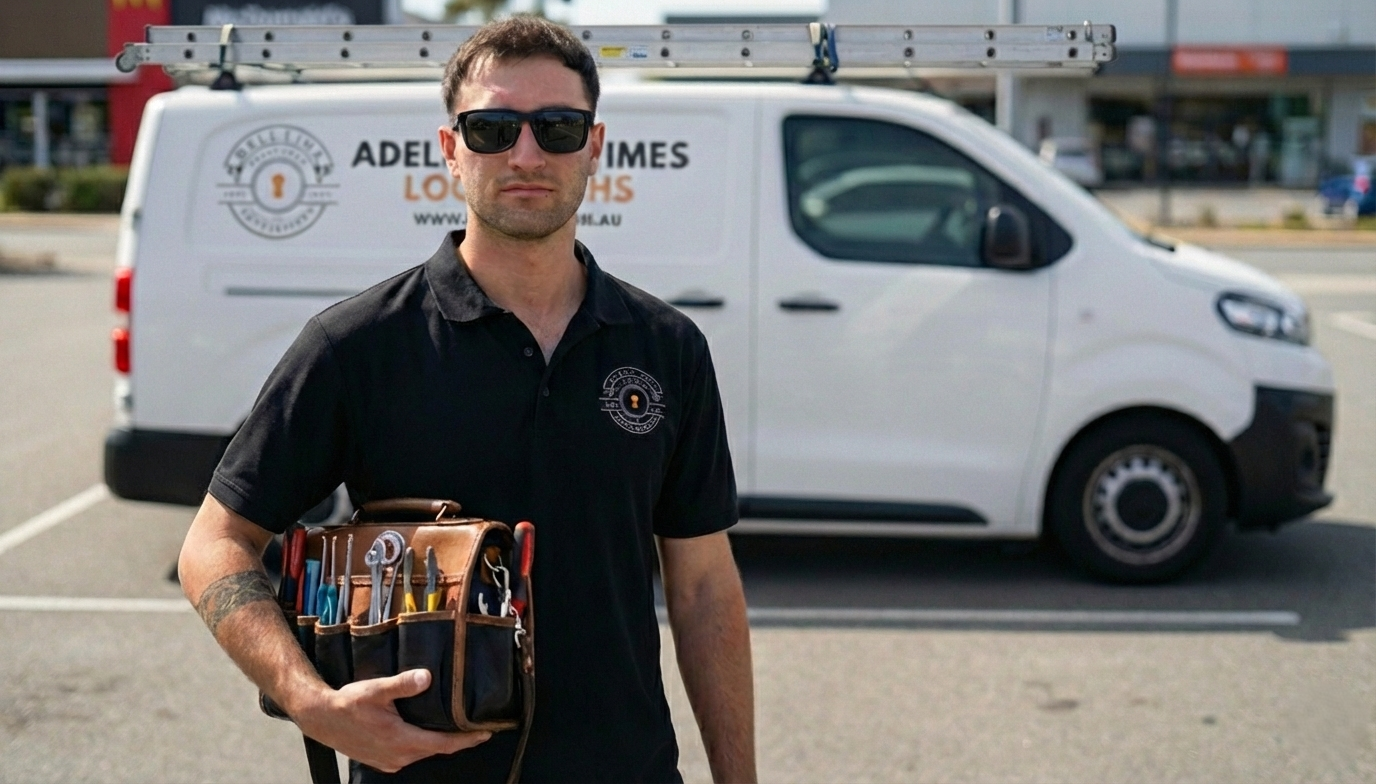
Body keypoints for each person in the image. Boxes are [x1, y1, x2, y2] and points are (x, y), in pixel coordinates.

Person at [177, 15, 756, 784]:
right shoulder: (354, 348)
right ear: (450, 151)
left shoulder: (666, 347)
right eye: (490, 129)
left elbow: (705, 585)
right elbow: (213, 544)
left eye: (557, 127)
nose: (526, 153)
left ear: (594, 146)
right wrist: (309, 700)